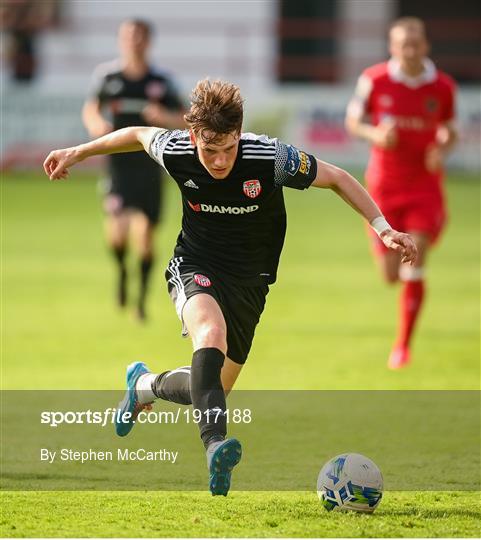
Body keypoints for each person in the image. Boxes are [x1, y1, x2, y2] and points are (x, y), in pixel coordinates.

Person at [44, 79, 417, 496]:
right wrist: (77, 151)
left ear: (240, 134)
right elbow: (135, 134)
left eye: (227, 148)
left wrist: (384, 230)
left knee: (212, 389)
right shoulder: (177, 149)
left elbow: (337, 178)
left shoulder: (271, 158)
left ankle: (143, 385)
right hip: (196, 264)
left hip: (251, 281)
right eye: (208, 150)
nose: (218, 161)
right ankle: (214, 446)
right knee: (210, 335)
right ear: (192, 137)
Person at [345, 17, 457, 369]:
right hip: (384, 186)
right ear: (393, 48)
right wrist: (376, 135)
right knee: (391, 275)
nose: (409, 50)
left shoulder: (442, 86)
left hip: (424, 186)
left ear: (425, 46)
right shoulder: (374, 80)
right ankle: (389, 261)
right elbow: (352, 120)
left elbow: (451, 131)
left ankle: (403, 346)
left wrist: (443, 148)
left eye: (415, 44)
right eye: (402, 45)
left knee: (417, 254)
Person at [82, 19, 186, 320]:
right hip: (118, 170)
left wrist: (163, 115)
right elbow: (90, 107)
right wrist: (95, 124)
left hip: (150, 169)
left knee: (145, 238)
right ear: (121, 40)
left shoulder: (162, 80)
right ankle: (121, 273)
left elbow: (185, 116)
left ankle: (140, 299)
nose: (133, 41)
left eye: (139, 36)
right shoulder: (108, 76)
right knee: (117, 235)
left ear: (148, 41)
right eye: (128, 36)